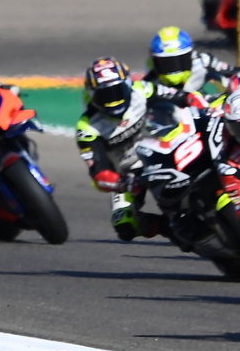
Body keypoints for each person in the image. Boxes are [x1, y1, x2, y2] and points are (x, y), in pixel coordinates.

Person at [76, 56, 206, 242]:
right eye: (105, 95)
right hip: (131, 174)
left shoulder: (141, 89)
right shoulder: (87, 128)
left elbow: (179, 96)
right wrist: (121, 182)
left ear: (127, 84)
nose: (113, 100)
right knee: (124, 224)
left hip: (164, 150)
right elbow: (99, 173)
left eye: (117, 91)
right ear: (91, 94)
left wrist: (197, 102)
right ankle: (170, 227)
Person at [142, 26, 240, 98]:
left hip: (206, 104)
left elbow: (231, 71)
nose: (172, 67)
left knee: (218, 80)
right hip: (173, 116)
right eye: (165, 62)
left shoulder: (202, 60)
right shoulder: (151, 77)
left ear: (189, 56)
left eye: (178, 60)